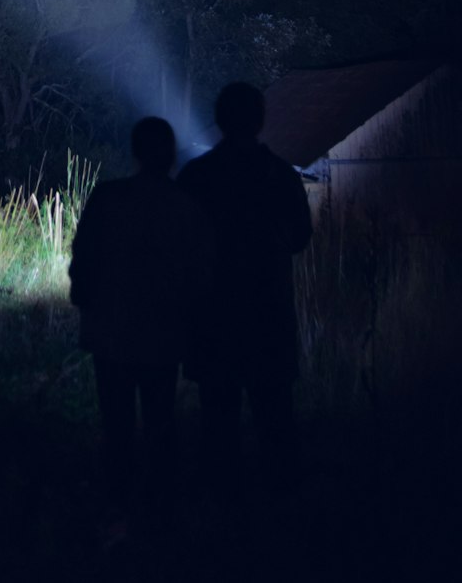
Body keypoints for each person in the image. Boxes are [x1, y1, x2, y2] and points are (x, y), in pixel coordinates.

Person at [69, 116, 209, 538]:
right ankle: (159, 514)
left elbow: (83, 260)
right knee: (159, 421)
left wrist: (86, 300)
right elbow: (201, 275)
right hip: (162, 339)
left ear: (135, 151)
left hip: (111, 335)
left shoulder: (108, 198)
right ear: (169, 156)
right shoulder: (185, 206)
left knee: (117, 426)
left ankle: (119, 507)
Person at [177, 81, 312, 494]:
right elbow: (301, 238)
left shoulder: (197, 177)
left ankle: (222, 520)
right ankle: (279, 519)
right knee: (275, 425)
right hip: (268, 320)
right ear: (260, 120)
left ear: (218, 121)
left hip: (214, 322)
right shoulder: (281, 176)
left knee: (219, 426)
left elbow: (180, 245)